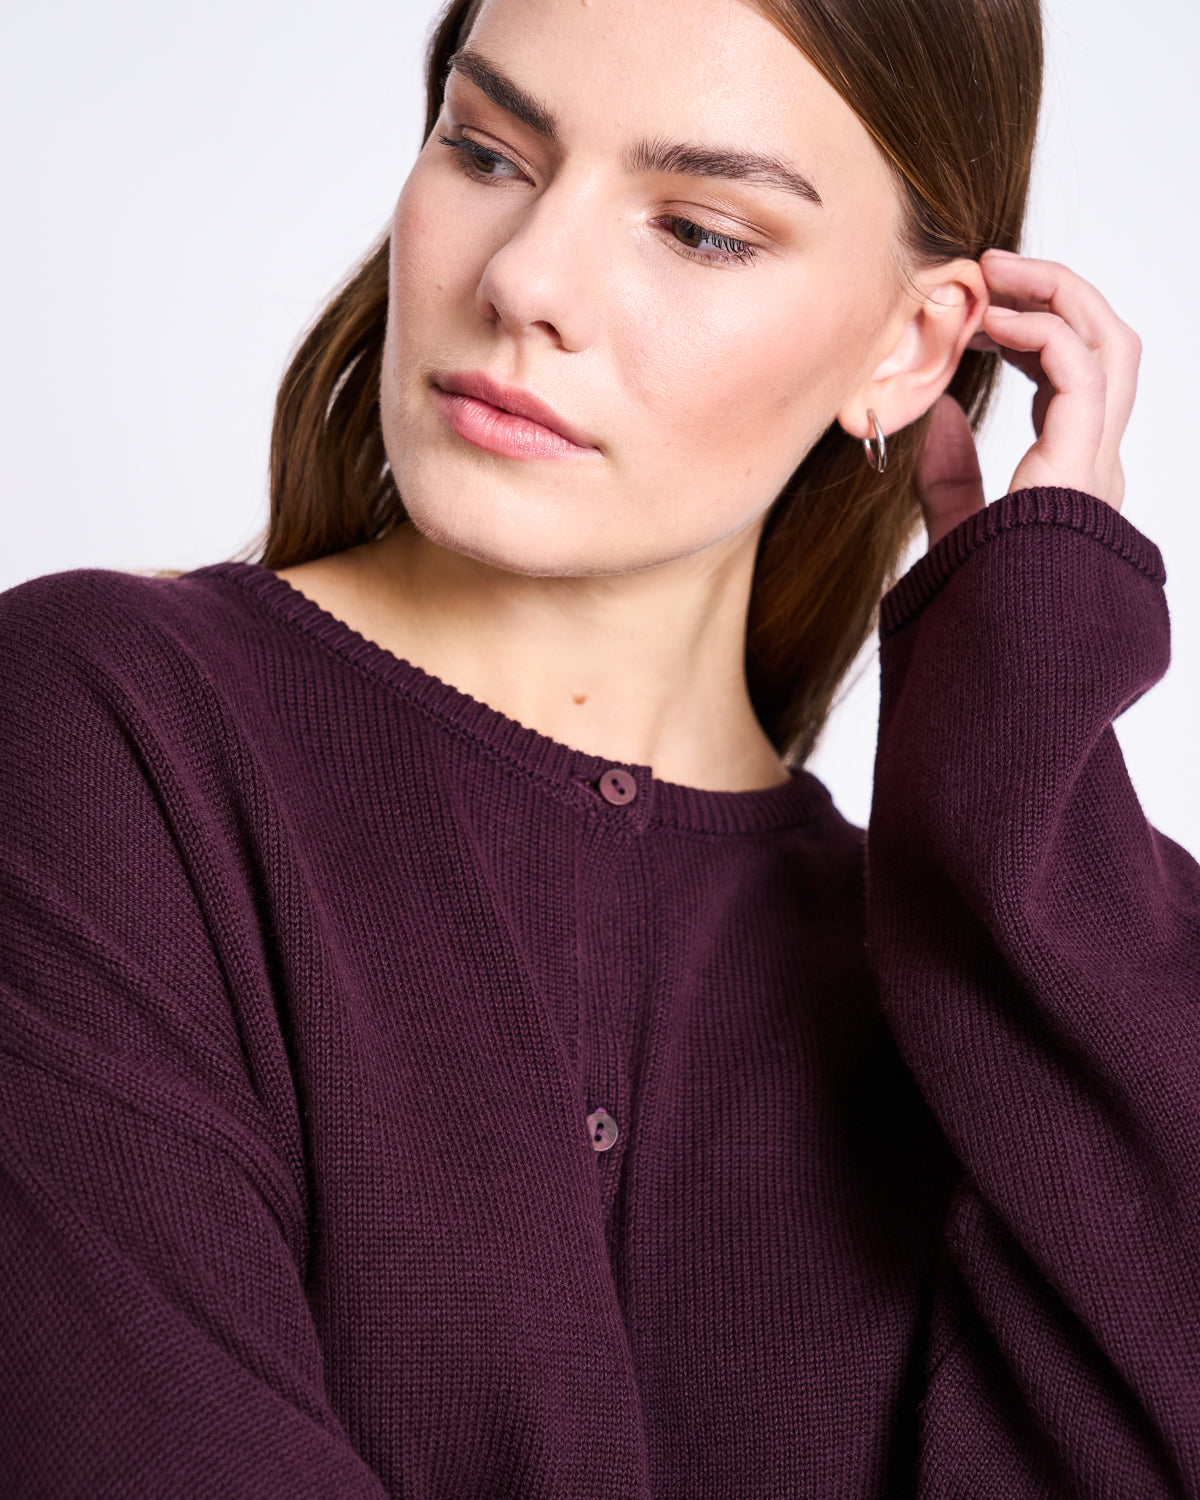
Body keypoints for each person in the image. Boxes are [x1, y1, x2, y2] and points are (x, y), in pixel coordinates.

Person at [1, 0, 1195, 1494]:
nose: (522, 279)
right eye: (489, 151)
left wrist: (1024, 722)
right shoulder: (101, 735)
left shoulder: (976, 984)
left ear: (908, 349)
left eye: (698, 229)